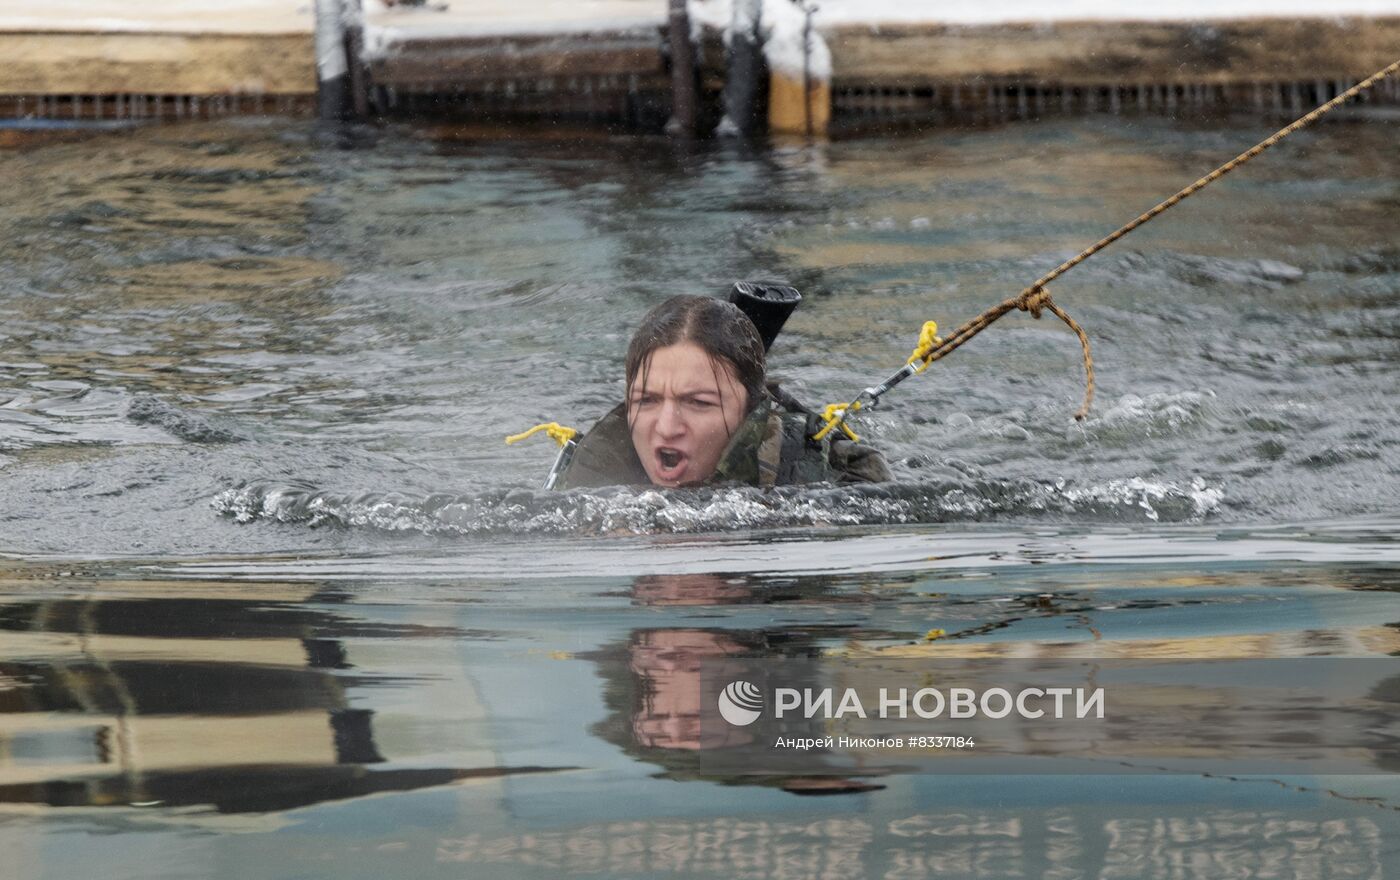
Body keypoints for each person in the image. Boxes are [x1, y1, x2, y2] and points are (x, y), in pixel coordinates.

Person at [552, 295, 890, 489]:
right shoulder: (581, 489)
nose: (667, 427)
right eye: (647, 400)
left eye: (698, 402)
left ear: (750, 412)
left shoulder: (845, 485)